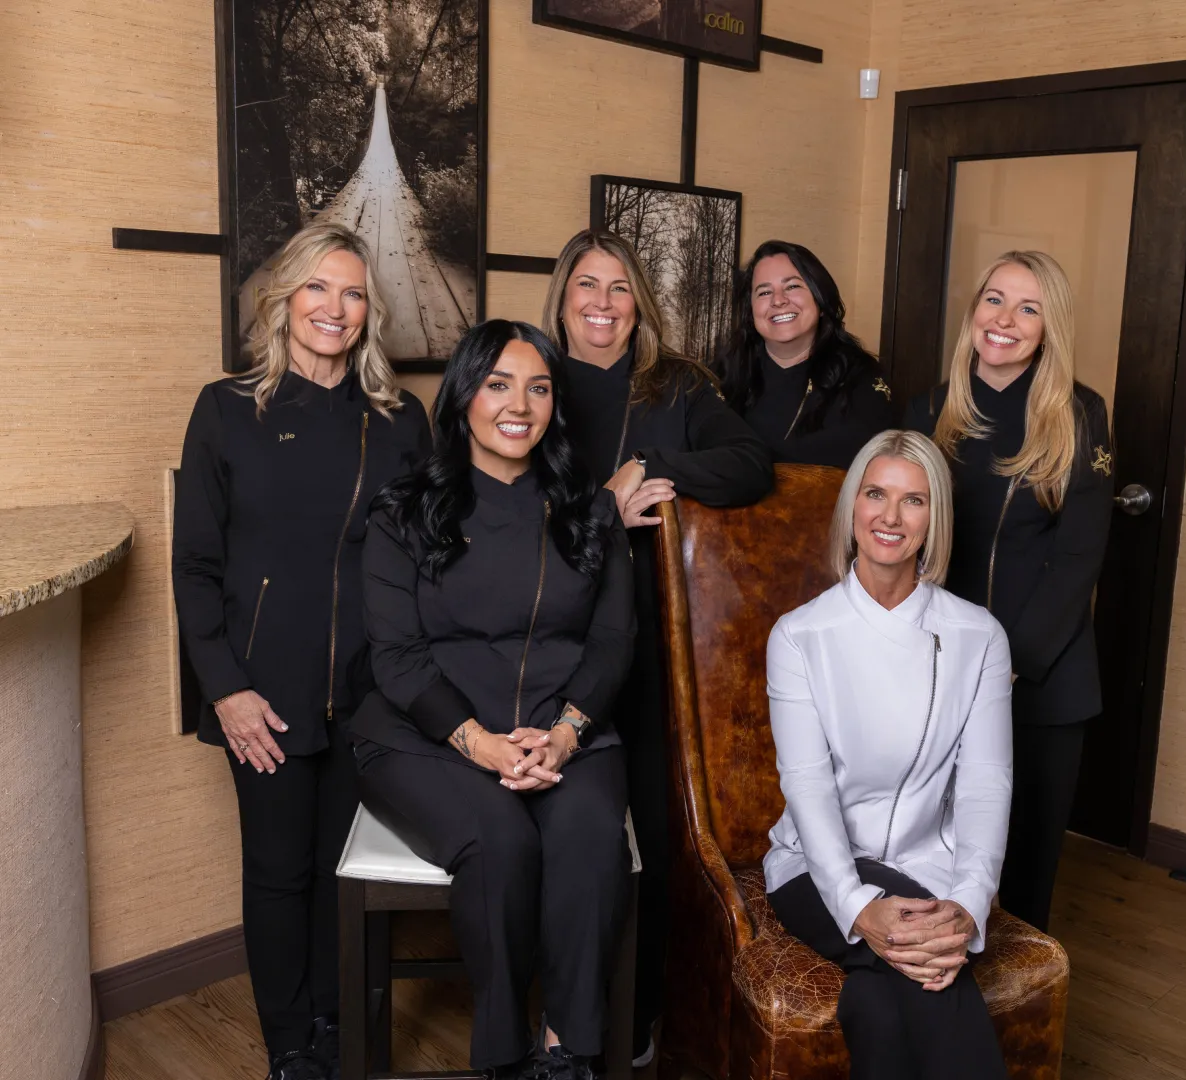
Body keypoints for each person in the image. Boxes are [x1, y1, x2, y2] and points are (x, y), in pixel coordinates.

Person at [173, 222, 431, 1080]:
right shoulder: (226, 410)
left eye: (353, 292)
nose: (335, 307)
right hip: (262, 694)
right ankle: (291, 1044)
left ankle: (333, 1023)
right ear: (283, 300)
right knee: (280, 873)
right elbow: (195, 566)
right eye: (318, 288)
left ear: (369, 311)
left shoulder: (399, 422)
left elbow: (429, 560)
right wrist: (225, 690)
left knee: (340, 871)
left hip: (369, 694)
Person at [348, 320, 636, 1080]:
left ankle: (568, 1047)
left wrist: (566, 735)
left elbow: (611, 644)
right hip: (427, 735)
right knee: (499, 840)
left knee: (587, 836)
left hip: (565, 728)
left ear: (555, 406)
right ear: (464, 394)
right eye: (499, 384)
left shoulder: (590, 512)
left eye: (539, 388)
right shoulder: (404, 510)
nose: (520, 404)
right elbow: (399, 659)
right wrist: (479, 742)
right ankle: (504, 1053)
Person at [540, 229, 774, 1064]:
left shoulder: (675, 386)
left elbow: (750, 464)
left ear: (639, 303)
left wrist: (650, 465)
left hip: (652, 651)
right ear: (563, 298)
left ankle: (635, 1015)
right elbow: (494, 498)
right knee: (561, 835)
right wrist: (605, 505)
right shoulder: (532, 377)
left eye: (619, 289)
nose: (602, 306)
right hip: (545, 641)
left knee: (649, 837)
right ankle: (558, 1013)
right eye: (586, 288)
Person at [764, 429, 1012, 1080]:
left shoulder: (979, 637)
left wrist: (967, 905)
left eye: (914, 501)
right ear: (852, 508)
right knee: (935, 983)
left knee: (877, 1002)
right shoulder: (799, 636)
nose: (890, 517)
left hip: (931, 872)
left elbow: (987, 784)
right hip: (814, 875)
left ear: (935, 521)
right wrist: (856, 906)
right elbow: (807, 788)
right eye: (875, 494)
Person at [902, 250, 1114, 932]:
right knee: (935, 850)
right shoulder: (931, 410)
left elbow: (1079, 557)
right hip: (938, 669)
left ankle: (1012, 1021)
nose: (1006, 320)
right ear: (974, 312)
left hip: (1043, 678)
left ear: (1050, 327)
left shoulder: (1079, 415)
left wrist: (1008, 663)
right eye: (995, 299)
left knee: (1022, 869)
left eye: (1030, 308)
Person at [716, 239, 897, 468]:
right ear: (750, 312)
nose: (778, 300)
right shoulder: (719, 378)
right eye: (764, 292)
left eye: (792, 286)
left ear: (820, 299)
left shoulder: (863, 381)